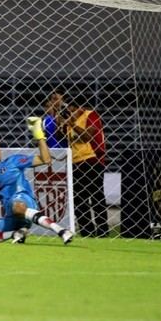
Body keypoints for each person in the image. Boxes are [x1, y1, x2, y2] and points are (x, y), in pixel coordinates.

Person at [0, 119, 73, 245]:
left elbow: (46, 159)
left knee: (16, 206)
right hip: (10, 217)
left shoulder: (13, 161)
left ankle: (62, 231)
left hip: (24, 204)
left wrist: (39, 136)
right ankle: (15, 233)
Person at [57, 93, 109, 238]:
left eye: (72, 109)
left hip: (92, 160)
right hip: (75, 162)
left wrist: (71, 123)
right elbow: (60, 138)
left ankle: (103, 230)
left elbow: (87, 136)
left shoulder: (91, 115)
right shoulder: (69, 120)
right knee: (78, 199)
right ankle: (87, 231)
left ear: (78, 107)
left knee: (96, 196)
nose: (70, 111)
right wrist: (60, 123)